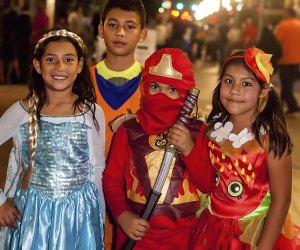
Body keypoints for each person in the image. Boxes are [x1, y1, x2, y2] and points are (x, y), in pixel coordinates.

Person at [0, 29, 105, 249]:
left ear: (79, 66)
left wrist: (99, 219)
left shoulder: (92, 112)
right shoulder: (22, 111)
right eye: (51, 60)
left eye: (68, 59)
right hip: (31, 215)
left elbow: (96, 169)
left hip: (78, 216)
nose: (60, 67)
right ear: (38, 65)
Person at [103, 48, 215, 249]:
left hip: (183, 238)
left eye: (172, 90)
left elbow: (207, 184)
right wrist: (122, 215)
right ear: (145, 88)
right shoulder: (128, 130)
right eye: (155, 86)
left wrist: (189, 149)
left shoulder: (198, 132)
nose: (162, 95)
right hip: (134, 236)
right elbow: (111, 179)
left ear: (186, 95)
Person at [187, 47, 299, 249]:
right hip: (211, 227)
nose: (234, 90)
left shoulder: (272, 140)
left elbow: (281, 201)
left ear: (263, 90)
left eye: (246, 83)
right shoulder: (212, 131)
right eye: (228, 81)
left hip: (253, 234)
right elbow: (204, 181)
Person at [89, 0, 148, 248]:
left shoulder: (154, 87)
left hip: (134, 202)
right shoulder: (79, 80)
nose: (120, 32)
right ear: (101, 29)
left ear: (143, 34)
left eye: (130, 26)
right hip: (85, 198)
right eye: (113, 25)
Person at [275, 6, 300, 114]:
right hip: (296, 60)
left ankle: (292, 105)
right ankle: (283, 103)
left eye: (284, 12)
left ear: (288, 13)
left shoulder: (283, 25)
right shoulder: (299, 25)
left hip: (285, 59)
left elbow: (278, 41)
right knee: (288, 84)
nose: (283, 14)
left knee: (286, 84)